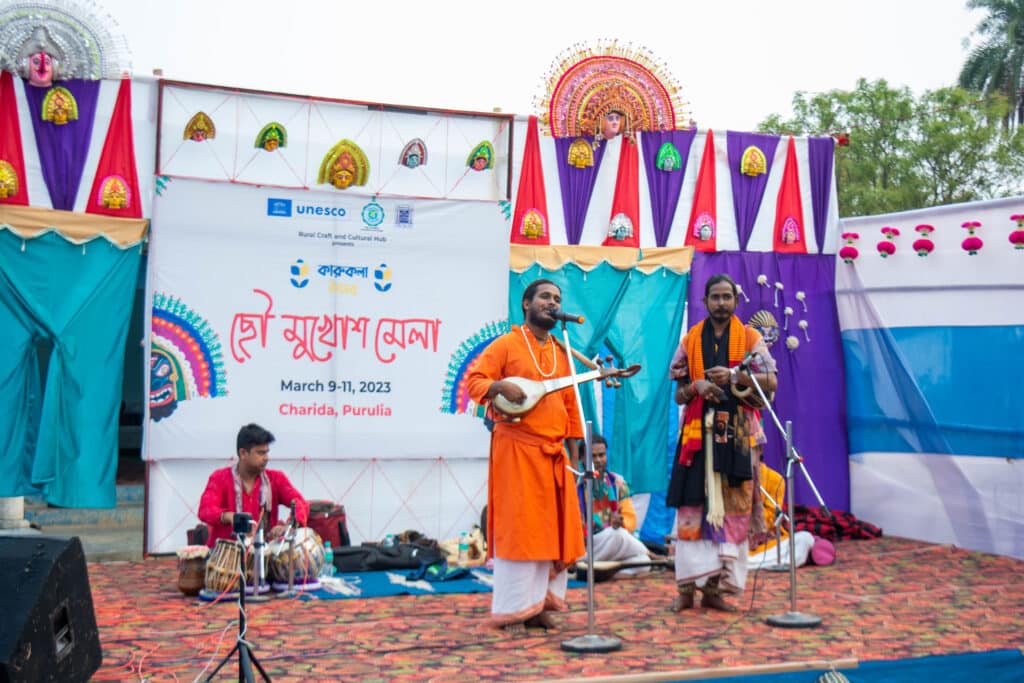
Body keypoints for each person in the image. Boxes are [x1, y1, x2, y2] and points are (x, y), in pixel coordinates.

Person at [465, 279, 585, 634]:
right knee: (520, 532)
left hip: (553, 456)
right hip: (515, 450)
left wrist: (574, 457)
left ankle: (538, 607)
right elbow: (475, 383)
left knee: (550, 533)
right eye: (545, 297)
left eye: (558, 299)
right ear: (526, 303)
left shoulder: (562, 354)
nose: (552, 302)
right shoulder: (506, 344)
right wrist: (499, 386)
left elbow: (570, 408)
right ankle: (512, 611)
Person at [666, 274, 777, 612]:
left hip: (739, 435)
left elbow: (770, 381)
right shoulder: (691, 340)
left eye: (727, 297)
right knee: (692, 508)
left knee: (733, 510)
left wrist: (734, 376)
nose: (721, 303)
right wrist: (697, 387)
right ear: (705, 300)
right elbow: (678, 393)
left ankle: (714, 590)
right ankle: (686, 589)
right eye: (715, 297)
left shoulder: (750, 337)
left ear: (736, 301)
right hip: (697, 436)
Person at [198, 423, 310, 547]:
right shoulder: (220, 478)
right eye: (260, 453)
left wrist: (287, 527)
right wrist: (229, 517)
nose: (266, 458)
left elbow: (301, 504)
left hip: (264, 555)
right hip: (226, 556)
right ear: (243, 453)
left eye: (267, 452)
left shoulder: (276, 479)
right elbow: (205, 510)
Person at [577, 434, 657, 577]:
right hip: (590, 547)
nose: (598, 460)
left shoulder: (617, 482)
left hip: (616, 544)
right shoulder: (575, 487)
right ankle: (651, 555)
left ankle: (604, 572)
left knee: (642, 563)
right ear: (582, 459)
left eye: (601, 455)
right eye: (592, 456)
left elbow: (630, 520)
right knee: (616, 535)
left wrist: (621, 521)